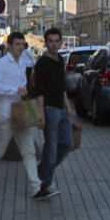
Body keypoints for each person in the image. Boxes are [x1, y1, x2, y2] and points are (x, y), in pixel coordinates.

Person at [0, 31, 42, 197]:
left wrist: (23, 92)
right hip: (6, 113)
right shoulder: (3, 63)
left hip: (20, 112)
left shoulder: (24, 63)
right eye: (17, 44)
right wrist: (13, 90)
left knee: (28, 149)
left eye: (23, 44)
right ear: (9, 46)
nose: (20, 47)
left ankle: (36, 187)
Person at [32, 27, 75, 201]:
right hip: (49, 110)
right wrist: (40, 114)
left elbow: (62, 86)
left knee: (67, 144)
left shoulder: (60, 60)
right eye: (51, 41)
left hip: (62, 109)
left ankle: (41, 172)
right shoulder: (42, 63)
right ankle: (46, 184)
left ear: (61, 42)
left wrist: (68, 107)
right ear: (45, 42)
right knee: (50, 147)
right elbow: (39, 91)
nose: (54, 44)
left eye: (57, 41)